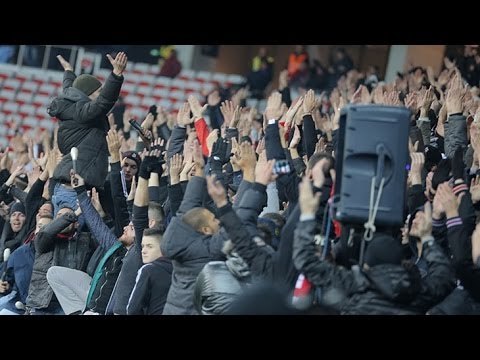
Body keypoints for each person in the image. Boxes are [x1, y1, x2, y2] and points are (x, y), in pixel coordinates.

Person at [47, 52, 127, 214]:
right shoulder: (82, 112)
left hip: (73, 184)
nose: (99, 95)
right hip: (75, 190)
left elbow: (69, 89)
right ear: (87, 94)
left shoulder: (71, 108)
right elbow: (104, 102)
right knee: (71, 235)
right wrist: (116, 75)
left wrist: (69, 72)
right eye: (97, 92)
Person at [127, 227, 172, 315]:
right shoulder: (181, 270)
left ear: (163, 248)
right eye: (143, 246)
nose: (143, 251)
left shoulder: (147, 270)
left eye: (149, 246)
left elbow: (133, 309)